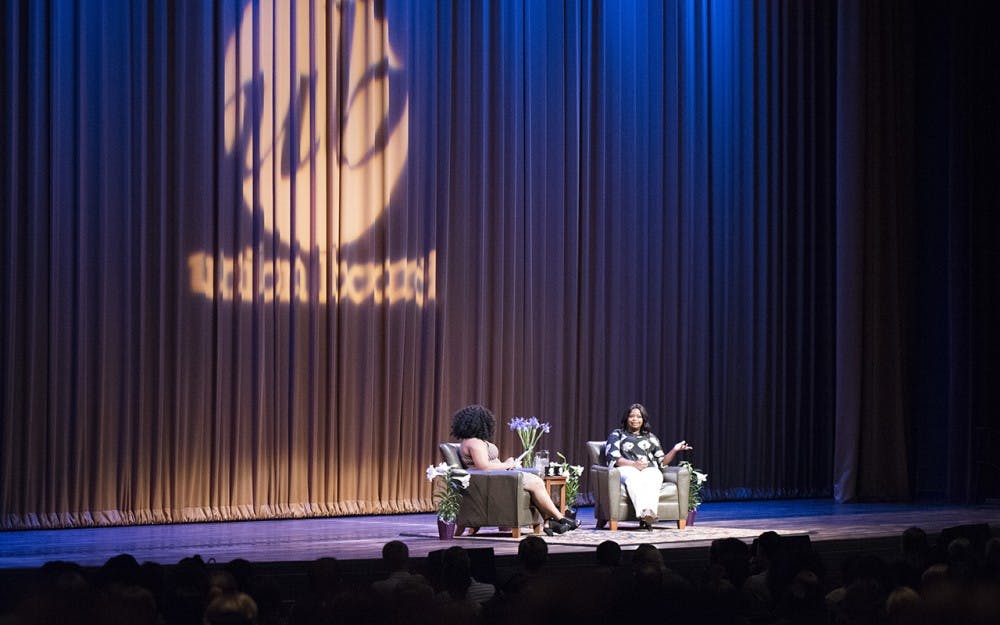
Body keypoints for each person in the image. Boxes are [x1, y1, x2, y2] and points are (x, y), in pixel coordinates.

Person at [450, 404, 580, 534]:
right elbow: (484, 467)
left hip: (499, 478)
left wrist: (508, 465)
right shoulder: (474, 442)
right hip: (493, 482)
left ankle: (549, 522)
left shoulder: (477, 441)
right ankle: (559, 518)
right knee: (536, 482)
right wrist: (507, 465)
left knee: (536, 482)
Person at [604, 403, 691, 529]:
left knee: (655, 475)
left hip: (648, 469)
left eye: (639, 417)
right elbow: (614, 457)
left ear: (643, 419)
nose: (635, 419)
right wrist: (634, 464)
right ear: (626, 418)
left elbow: (662, 461)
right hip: (626, 469)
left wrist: (675, 449)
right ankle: (643, 513)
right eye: (631, 416)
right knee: (634, 476)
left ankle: (649, 514)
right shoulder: (617, 434)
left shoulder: (650, 437)